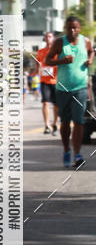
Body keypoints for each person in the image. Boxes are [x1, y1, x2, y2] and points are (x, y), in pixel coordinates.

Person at [45, 16, 94, 168]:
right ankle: (67, 150)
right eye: (69, 27)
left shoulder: (85, 41)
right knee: (65, 123)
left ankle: (77, 155)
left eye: (75, 27)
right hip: (63, 89)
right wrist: (62, 61)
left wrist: (90, 59)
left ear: (79, 29)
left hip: (80, 88)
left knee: (79, 121)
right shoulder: (59, 42)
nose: (72, 30)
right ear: (66, 28)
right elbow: (47, 60)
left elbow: (91, 51)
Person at [32, 31, 59, 134]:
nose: (48, 38)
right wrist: (36, 69)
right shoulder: (41, 51)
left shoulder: (57, 51)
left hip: (56, 81)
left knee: (56, 105)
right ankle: (47, 125)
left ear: (53, 38)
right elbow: (37, 60)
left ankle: (55, 124)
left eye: (50, 36)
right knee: (45, 102)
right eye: (46, 37)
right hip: (44, 80)